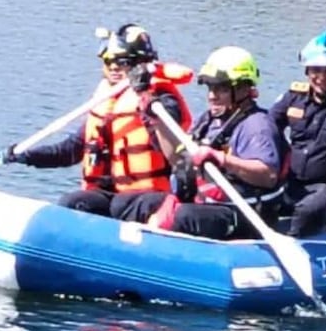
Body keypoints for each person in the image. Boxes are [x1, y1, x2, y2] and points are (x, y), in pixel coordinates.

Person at [0, 24, 192, 216]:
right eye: (108, 61)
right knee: (74, 202)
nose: (114, 67)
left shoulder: (162, 97)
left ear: (140, 65)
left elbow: (170, 136)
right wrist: (25, 155)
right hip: (106, 193)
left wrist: (145, 97)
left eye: (122, 62)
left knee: (121, 205)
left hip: (147, 195)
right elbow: (70, 151)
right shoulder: (105, 103)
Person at [116, 46, 286, 241]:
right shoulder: (208, 121)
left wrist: (221, 159)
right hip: (208, 203)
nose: (212, 96)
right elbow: (177, 158)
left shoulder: (257, 125)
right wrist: (157, 122)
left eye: (221, 89)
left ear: (243, 89)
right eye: (210, 88)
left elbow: (267, 175)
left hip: (243, 214)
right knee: (132, 203)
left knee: (181, 217)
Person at [268, 31, 326, 236]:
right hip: (290, 184)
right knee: (259, 205)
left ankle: (292, 246)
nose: (321, 77)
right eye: (315, 70)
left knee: (306, 212)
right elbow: (264, 130)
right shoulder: (294, 96)